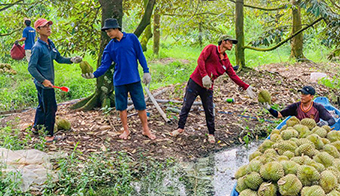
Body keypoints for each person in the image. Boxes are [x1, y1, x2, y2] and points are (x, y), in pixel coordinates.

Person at [171, 35, 257, 143]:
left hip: (208, 87)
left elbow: (233, 76)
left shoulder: (226, 61)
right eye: (230, 42)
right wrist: (204, 75)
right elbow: (200, 59)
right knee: (187, 105)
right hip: (195, 82)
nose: (231, 45)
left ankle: (211, 133)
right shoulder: (211, 48)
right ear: (223, 42)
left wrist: (246, 86)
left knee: (209, 110)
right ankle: (180, 128)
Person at [82, 18, 156, 140]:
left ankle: (145, 129)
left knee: (141, 105)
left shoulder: (132, 38)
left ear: (117, 29)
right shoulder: (109, 47)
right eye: (107, 32)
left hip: (134, 79)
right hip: (119, 81)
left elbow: (140, 55)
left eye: (110, 31)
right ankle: (126, 130)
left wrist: (146, 71)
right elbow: (104, 65)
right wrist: (94, 75)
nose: (109, 34)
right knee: (121, 107)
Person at [28, 18, 82, 143]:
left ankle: (36, 127)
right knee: (51, 108)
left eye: (49, 25)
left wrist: (71, 60)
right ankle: (49, 135)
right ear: (38, 30)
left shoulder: (50, 44)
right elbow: (31, 68)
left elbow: (58, 58)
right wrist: (43, 80)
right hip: (45, 84)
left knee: (43, 105)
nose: (48, 28)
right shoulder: (37, 47)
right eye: (44, 26)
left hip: (46, 83)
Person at [262, 86, 335, 126]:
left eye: (305, 94)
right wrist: (269, 108)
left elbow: (332, 120)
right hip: (298, 132)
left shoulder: (318, 107)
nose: (302, 96)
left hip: (313, 133)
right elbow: (279, 115)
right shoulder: (295, 106)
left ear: (311, 96)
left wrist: (326, 123)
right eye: (301, 94)